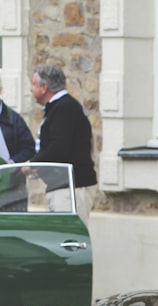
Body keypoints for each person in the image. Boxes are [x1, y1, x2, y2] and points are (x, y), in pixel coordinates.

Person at [28, 63, 97, 225]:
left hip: (71, 187)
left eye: (33, 84)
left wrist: (33, 164)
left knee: (70, 240)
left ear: (44, 87)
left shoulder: (65, 108)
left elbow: (59, 147)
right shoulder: (60, 108)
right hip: (62, 185)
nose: (31, 89)